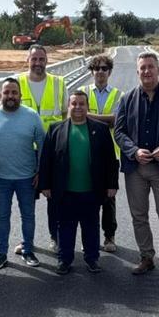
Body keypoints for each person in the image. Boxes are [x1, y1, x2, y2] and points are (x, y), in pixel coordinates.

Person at [112, 51, 159, 279]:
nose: (146, 71)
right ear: (138, 72)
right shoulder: (126, 99)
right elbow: (119, 131)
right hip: (135, 168)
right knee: (139, 215)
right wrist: (133, 151)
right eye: (142, 68)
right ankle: (146, 257)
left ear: (158, 70)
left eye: (150, 67)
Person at [38, 89, 119, 274]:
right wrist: (45, 185)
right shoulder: (55, 129)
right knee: (65, 226)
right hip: (65, 190)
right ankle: (64, 260)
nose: (78, 107)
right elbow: (46, 160)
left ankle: (92, 259)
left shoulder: (100, 129)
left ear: (87, 107)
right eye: (74, 103)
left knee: (91, 226)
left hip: (92, 189)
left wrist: (112, 184)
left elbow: (110, 159)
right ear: (68, 106)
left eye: (82, 104)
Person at [0, 76, 45, 269]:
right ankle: (1, 253)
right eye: (6, 92)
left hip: (27, 177)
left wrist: (40, 171)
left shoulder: (32, 115)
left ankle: (28, 250)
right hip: (1, 178)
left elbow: (42, 145)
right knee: (2, 216)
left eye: (14, 92)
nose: (10, 96)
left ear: (20, 95)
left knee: (28, 216)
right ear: (0, 94)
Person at [18, 44, 66, 251]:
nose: (38, 63)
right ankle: (26, 240)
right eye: (34, 59)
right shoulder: (17, 82)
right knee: (26, 199)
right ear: (27, 61)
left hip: (52, 150)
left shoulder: (58, 83)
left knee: (53, 198)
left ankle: (55, 238)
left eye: (41, 59)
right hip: (25, 150)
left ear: (47, 61)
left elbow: (65, 116)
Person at [85, 53, 121, 252]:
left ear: (109, 72)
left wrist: (89, 117)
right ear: (91, 71)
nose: (100, 72)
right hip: (85, 153)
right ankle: (90, 237)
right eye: (96, 68)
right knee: (87, 197)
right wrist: (104, 119)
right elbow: (76, 115)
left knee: (109, 197)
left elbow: (117, 120)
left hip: (110, 154)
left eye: (104, 68)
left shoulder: (119, 95)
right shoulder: (82, 91)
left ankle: (109, 237)